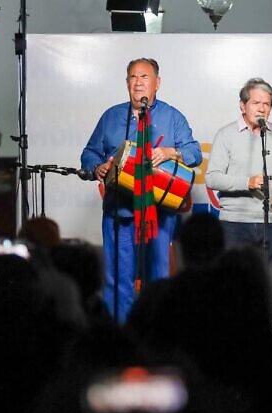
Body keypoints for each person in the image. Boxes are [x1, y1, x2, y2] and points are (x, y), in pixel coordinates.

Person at [80, 58, 202, 323]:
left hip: (158, 213)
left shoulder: (172, 116)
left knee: (157, 278)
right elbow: (89, 153)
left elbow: (195, 153)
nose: (138, 82)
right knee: (117, 278)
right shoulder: (112, 116)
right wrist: (97, 167)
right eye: (132, 77)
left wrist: (172, 152)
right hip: (118, 211)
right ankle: (120, 337)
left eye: (144, 77)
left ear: (157, 83)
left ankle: (154, 334)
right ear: (126, 83)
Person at [205, 77, 272, 267]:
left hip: (271, 223)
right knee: (236, 286)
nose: (262, 109)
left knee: (269, 284)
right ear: (242, 106)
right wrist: (247, 182)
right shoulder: (226, 134)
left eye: (267, 104)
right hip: (234, 224)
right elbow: (212, 178)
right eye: (256, 103)